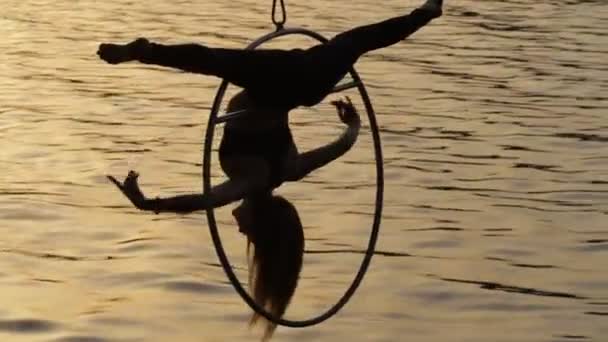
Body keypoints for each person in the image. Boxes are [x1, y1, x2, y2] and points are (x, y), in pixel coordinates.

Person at [107, 94, 360, 339]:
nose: (241, 231)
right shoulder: (250, 181)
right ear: (262, 223)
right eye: (250, 234)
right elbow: (200, 201)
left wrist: (353, 126)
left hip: (282, 87)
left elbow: (341, 146)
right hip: (256, 84)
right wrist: (146, 204)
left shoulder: (291, 169)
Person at [97, 0, 443, 112]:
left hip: (297, 84)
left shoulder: (274, 174)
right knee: (215, 60)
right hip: (295, 80)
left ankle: (148, 52)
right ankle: (148, 52)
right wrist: (351, 128)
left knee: (214, 60)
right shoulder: (274, 173)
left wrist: (150, 203)